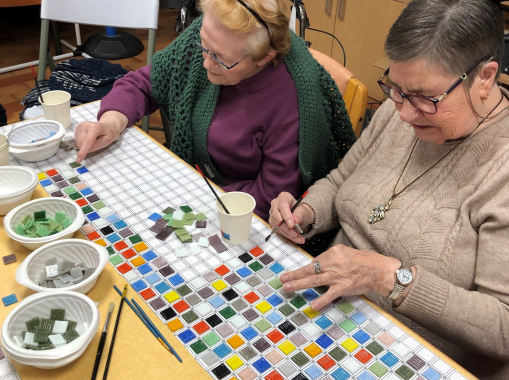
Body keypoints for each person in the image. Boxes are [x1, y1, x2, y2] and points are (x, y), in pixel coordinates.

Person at [269, 0, 509, 377]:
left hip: (413, 357)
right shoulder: (401, 106)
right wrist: (306, 213)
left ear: (485, 77)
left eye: (425, 99)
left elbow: (503, 327)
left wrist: (390, 278)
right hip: (333, 317)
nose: (403, 113)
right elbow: (339, 181)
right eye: (394, 88)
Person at [73, 0, 356, 220]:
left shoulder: (294, 104)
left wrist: (192, 200)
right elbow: (145, 82)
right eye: (203, 46)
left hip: (233, 214)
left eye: (221, 59)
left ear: (264, 57)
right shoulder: (211, 36)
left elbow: (269, 199)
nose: (206, 63)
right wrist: (111, 122)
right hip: (190, 186)